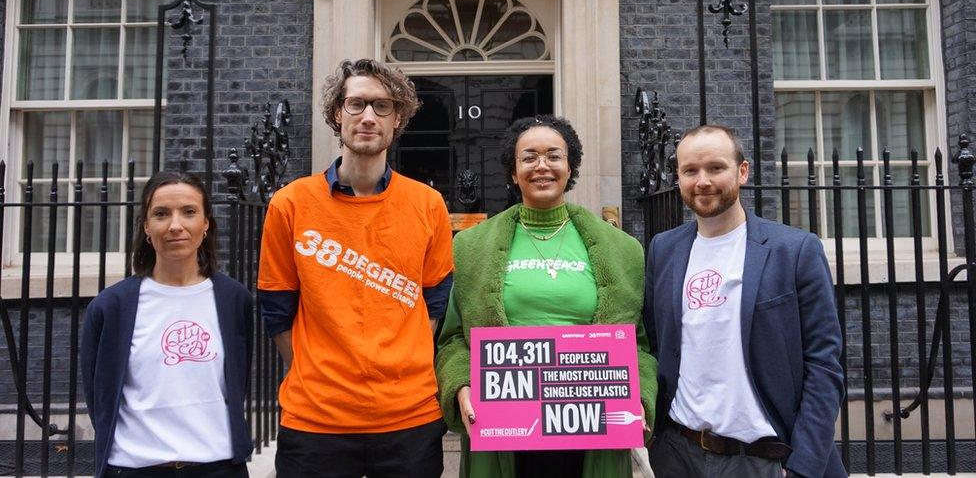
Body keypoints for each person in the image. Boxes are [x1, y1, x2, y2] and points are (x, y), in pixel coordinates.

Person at [257, 58, 454, 477]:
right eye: (357, 104)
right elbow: (276, 306)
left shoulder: (428, 204)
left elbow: (436, 298)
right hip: (316, 421)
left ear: (397, 118)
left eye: (382, 106)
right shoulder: (290, 204)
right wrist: (315, 373)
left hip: (410, 416)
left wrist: (404, 357)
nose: (368, 117)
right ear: (336, 113)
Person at [436, 115, 658, 478]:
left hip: (593, 432)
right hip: (501, 429)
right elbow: (452, 340)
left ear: (571, 168)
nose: (542, 166)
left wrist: (640, 400)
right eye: (529, 157)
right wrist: (461, 386)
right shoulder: (472, 246)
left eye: (554, 156)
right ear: (513, 171)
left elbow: (638, 345)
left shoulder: (622, 249)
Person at [643, 125, 845, 478]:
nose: (702, 180)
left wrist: (803, 468)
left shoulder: (794, 251)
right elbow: (656, 345)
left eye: (715, 167)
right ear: (678, 178)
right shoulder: (664, 249)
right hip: (677, 453)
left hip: (761, 458)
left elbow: (824, 366)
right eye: (690, 170)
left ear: (743, 171)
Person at [81, 171, 253, 478]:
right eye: (161, 214)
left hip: (219, 467)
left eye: (189, 212)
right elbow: (101, 399)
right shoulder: (111, 307)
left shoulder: (234, 299)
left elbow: (236, 382)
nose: (176, 226)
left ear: (206, 223)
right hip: (135, 468)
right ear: (147, 226)